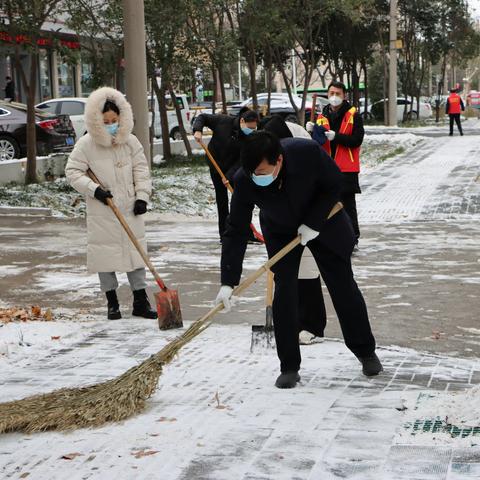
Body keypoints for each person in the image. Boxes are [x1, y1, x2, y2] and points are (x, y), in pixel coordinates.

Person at [215, 131, 382, 388]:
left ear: (279, 160)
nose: (256, 178)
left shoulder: (306, 153)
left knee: (342, 285)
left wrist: (313, 222)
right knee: (285, 291)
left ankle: (365, 351)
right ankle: (289, 366)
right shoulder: (245, 179)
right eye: (252, 173)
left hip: (325, 220)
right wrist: (228, 281)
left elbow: (335, 183)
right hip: (280, 229)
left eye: (261, 171)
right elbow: (235, 229)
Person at [65, 87, 157, 320]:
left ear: (122, 118)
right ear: (96, 120)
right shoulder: (86, 144)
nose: (111, 125)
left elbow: (141, 170)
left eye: (114, 120)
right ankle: (112, 302)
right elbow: (73, 172)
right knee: (105, 256)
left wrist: (142, 197)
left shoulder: (130, 142)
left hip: (130, 207)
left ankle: (140, 301)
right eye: (105, 121)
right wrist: (94, 190)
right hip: (103, 209)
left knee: (136, 254)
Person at [260, 115, 326, 345]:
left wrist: (310, 219)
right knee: (283, 272)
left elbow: (319, 181)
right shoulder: (263, 143)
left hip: (307, 215)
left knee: (307, 269)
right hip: (279, 215)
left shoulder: (300, 141)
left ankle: (312, 325)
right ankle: (289, 323)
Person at [307, 81, 364, 243]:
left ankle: (353, 237)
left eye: (338, 94)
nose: (334, 97)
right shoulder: (322, 116)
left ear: (344, 96)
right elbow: (316, 143)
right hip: (326, 167)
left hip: (347, 168)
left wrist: (337, 137)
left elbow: (357, 140)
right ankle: (332, 237)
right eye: (331, 93)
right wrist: (311, 130)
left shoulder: (353, 115)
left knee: (347, 204)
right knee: (326, 204)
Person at [193, 108, 260, 240]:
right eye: (249, 127)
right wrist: (198, 130)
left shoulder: (249, 138)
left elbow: (242, 160)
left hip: (234, 169)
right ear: (242, 121)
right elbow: (202, 117)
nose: (251, 130)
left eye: (254, 128)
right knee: (221, 200)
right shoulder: (222, 121)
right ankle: (224, 234)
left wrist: (229, 176)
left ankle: (245, 231)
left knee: (240, 199)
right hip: (215, 164)